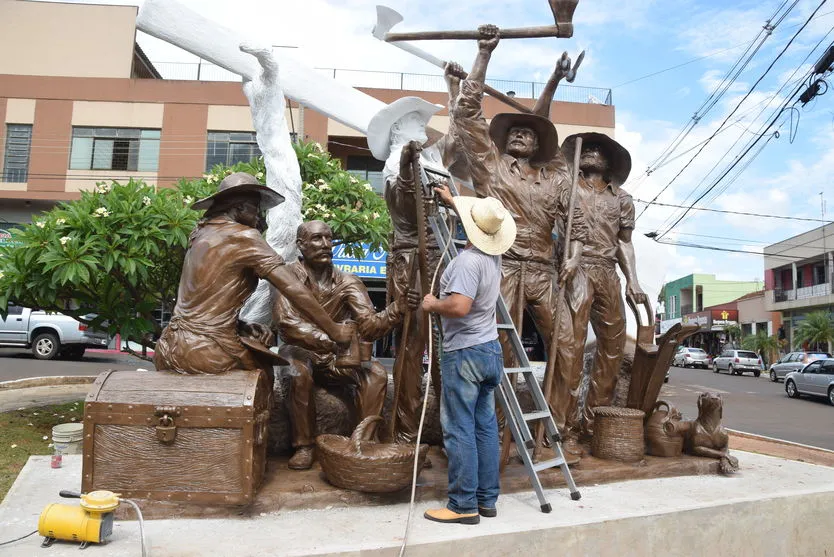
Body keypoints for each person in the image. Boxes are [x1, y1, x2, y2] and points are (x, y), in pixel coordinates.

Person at [451, 25, 587, 431]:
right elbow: (466, 112)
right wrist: (484, 54)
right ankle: (491, 427)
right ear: (505, 141)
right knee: (499, 348)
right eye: (516, 131)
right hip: (502, 266)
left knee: (566, 344)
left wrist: (575, 254)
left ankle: (555, 428)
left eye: (531, 133)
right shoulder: (490, 167)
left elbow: (575, 224)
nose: (524, 135)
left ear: (540, 146)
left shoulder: (556, 179)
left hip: (546, 272)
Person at [153, 172, 353, 375]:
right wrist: (334, 330)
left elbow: (201, 302)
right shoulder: (244, 236)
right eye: (256, 208)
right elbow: (293, 287)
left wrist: (239, 325)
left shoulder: (199, 233)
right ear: (239, 207)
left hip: (169, 345)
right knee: (262, 375)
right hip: (205, 352)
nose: (260, 215)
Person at [366, 62, 466, 444]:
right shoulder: (396, 166)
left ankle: (443, 426)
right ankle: (407, 429)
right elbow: (406, 199)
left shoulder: (433, 158)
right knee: (414, 343)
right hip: (412, 261)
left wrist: (453, 88)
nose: (424, 128)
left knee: (449, 341)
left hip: (443, 258)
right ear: (397, 132)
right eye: (414, 122)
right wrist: (409, 165)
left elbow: (459, 133)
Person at [272, 220, 419, 470]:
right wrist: (331, 339)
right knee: (299, 373)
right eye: (317, 239)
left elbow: (370, 327)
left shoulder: (347, 281)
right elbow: (286, 324)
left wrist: (397, 309)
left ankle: (364, 442)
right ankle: (304, 445)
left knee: (375, 374)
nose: (325, 245)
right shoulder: (286, 277)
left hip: (338, 355)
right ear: (301, 245)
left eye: (329, 239)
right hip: (301, 350)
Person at [422, 186, 516, 525]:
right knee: (484, 428)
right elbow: (480, 217)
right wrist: (452, 200)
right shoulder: (493, 258)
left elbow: (459, 307)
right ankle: (486, 500)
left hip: (465, 354)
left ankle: (462, 505)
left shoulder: (466, 262)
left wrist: (434, 305)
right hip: (489, 351)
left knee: (459, 429)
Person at [558, 133, 648, 443]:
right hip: (577, 268)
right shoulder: (567, 189)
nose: (594, 152)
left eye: (601, 151)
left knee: (612, 346)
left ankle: (595, 422)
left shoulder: (622, 199)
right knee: (571, 345)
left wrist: (633, 280)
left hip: (608, 272)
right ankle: (563, 427)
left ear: (610, 163)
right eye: (590, 148)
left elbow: (625, 242)